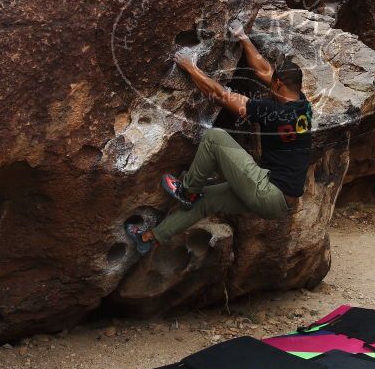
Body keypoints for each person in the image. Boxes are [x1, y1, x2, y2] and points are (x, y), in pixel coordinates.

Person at [127, 20, 312, 254]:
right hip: (281, 200)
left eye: (273, 81)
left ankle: (187, 190)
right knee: (206, 200)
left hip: (270, 191)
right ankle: (150, 238)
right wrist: (242, 37)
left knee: (215, 137)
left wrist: (190, 67)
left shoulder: (275, 112)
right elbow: (264, 70)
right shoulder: (302, 105)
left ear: (279, 84)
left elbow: (221, 96)